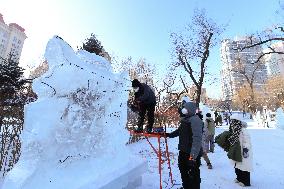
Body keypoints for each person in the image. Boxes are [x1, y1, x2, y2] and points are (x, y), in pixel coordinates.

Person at [166, 101, 203, 189]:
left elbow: (197, 139)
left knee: (193, 174)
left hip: (191, 153)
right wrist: (168, 135)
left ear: (190, 109)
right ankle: (186, 186)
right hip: (183, 151)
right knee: (183, 171)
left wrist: (192, 157)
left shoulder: (195, 120)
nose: (183, 110)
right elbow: (179, 131)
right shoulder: (186, 119)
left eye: (185, 108)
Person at [228, 115, 253, 187]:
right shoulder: (234, 129)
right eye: (231, 120)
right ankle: (239, 178)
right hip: (236, 150)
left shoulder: (243, 130)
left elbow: (247, 141)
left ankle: (246, 182)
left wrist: (245, 148)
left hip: (243, 150)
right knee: (237, 165)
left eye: (234, 121)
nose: (232, 122)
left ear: (237, 121)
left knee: (244, 166)